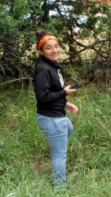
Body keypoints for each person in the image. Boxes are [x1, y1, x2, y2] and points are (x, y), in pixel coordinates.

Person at [34, 29, 78, 187]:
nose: (54, 50)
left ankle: (57, 150)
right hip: (51, 118)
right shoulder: (42, 69)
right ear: (41, 50)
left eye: (56, 46)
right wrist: (63, 92)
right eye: (49, 47)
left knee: (69, 128)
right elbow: (43, 98)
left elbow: (52, 92)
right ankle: (60, 190)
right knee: (60, 156)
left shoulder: (52, 66)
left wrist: (66, 103)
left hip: (58, 115)